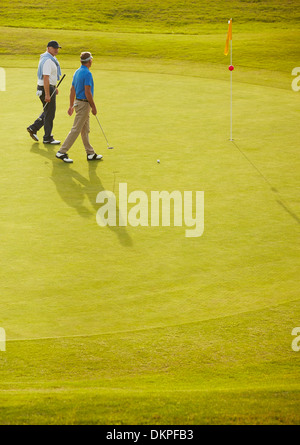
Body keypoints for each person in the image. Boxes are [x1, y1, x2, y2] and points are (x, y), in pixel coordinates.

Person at [55, 51, 102, 163]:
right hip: (84, 104)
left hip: (78, 103)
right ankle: (62, 152)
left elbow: (72, 89)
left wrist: (71, 105)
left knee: (85, 129)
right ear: (89, 61)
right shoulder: (87, 74)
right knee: (76, 129)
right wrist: (93, 106)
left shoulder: (77, 71)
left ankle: (90, 153)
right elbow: (88, 92)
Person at [27, 41, 62, 145]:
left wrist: (54, 87)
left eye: (57, 48)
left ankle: (33, 128)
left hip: (48, 87)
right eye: (54, 48)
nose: (56, 49)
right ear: (48, 48)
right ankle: (47, 138)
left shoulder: (50, 58)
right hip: (45, 88)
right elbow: (45, 78)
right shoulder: (47, 60)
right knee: (50, 113)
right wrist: (47, 93)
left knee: (48, 112)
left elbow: (50, 77)